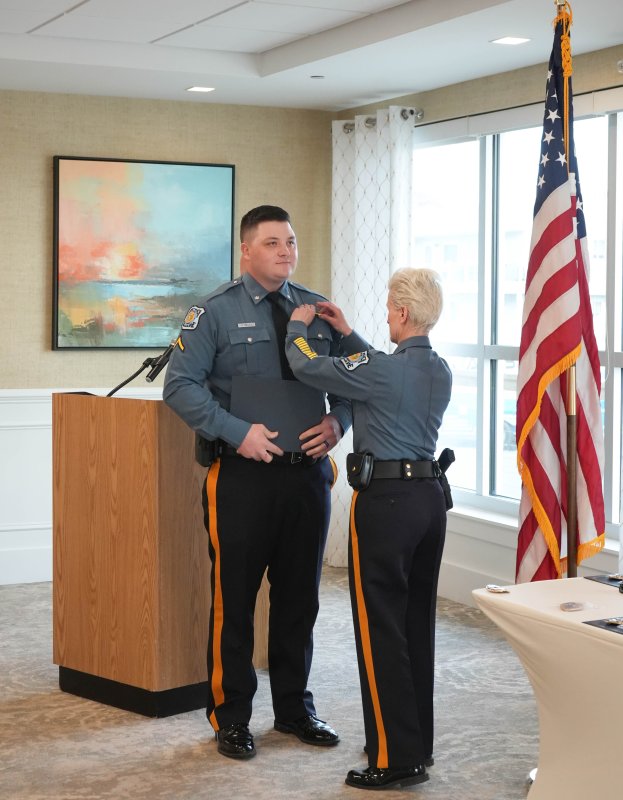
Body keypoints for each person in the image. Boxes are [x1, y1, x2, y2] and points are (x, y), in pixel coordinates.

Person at [163, 205, 367, 760]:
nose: (285, 251)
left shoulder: (319, 310)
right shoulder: (212, 313)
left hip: (306, 478)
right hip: (243, 478)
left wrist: (338, 422)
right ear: (246, 251)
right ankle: (230, 717)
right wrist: (237, 433)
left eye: (292, 242)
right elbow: (180, 387)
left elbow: (353, 379)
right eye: (273, 242)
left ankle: (295, 710)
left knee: (300, 599)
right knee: (236, 601)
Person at [285, 268, 452, 791]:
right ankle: (413, 740)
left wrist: (297, 323)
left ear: (402, 313)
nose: (384, 315)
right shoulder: (440, 369)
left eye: (388, 308)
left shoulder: (383, 371)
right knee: (414, 624)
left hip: (386, 506)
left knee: (379, 629)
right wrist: (350, 332)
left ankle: (393, 756)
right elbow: (377, 369)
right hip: (430, 502)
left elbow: (305, 363)